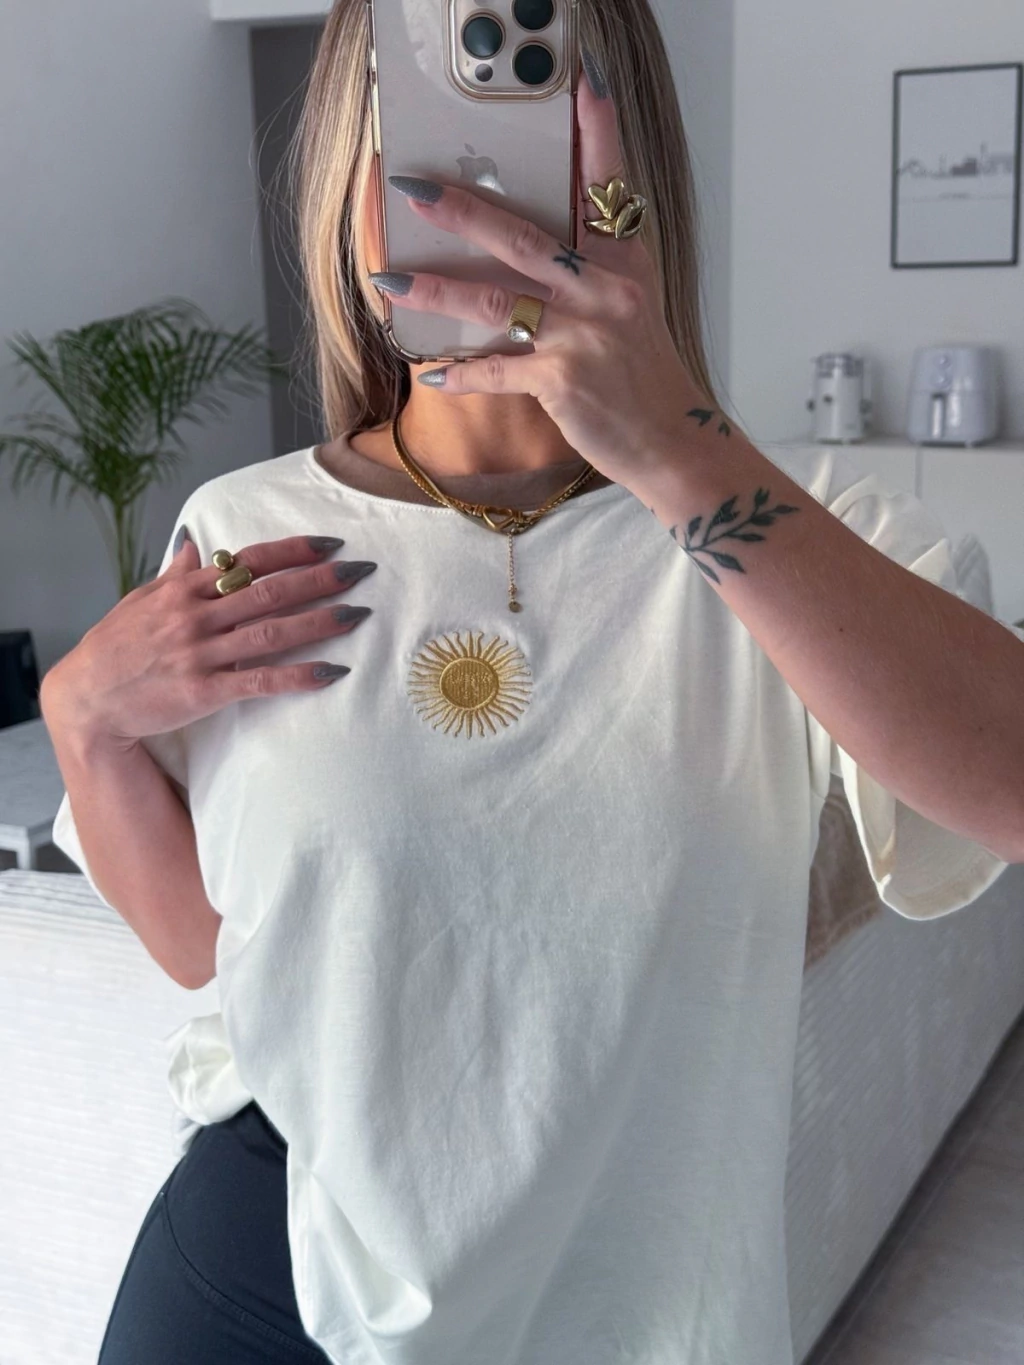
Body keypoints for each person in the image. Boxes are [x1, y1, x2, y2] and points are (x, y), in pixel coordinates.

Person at [41, 0, 1024, 1362]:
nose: (477, 189)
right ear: (353, 184)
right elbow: (221, 960)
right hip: (259, 1283)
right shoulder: (246, 529)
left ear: (630, 168)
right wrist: (81, 727)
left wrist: (679, 452)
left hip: (629, 1319)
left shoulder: (820, 538)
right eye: (422, 130)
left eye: (533, 117)